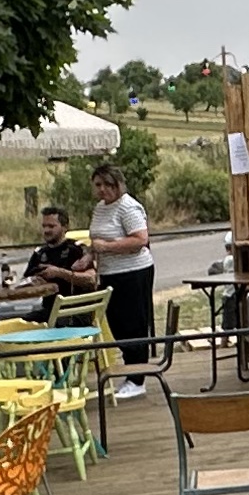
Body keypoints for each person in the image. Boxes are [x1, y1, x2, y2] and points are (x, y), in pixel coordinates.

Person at [87, 161, 157, 399]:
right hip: (109, 272)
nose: (103, 189)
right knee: (116, 323)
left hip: (133, 272)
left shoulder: (128, 207)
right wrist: (89, 256)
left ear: (118, 185)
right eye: (98, 185)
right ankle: (129, 371)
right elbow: (97, 239)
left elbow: (140, 239)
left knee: (133, 324)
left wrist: (107, 247)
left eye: (108, 185)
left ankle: (138, 378)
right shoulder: (100, 208)